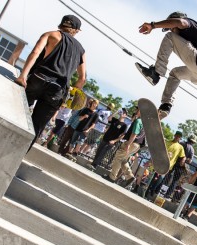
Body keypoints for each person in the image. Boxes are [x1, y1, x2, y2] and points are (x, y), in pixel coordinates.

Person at [14, 15, 86, 152]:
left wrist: (23, 76)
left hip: (39, 78)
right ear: (76, 30)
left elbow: (35, 52)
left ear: (61, 25)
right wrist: (71, 95)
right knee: (36, 127)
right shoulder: (81, 50)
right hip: (58, 90)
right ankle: (18, 154)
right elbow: (82, 78)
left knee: (17, 111)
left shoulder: (51, 35)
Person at [136, 11, 197, 119]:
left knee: (170, 37)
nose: (171, 30)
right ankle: (166, 106)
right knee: (175, 73)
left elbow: (180, 22)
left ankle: (156, 73)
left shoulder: (189, 24)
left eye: (172, 27)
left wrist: (152, 25)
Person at [102, 106, 145, 187]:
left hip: (132, 143)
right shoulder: (144, 123)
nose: (136, 111)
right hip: (137, 145)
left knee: (118, 157)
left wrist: (128, 144)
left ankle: (112, 177)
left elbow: (134, 134)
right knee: (123, 160)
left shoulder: (138, 121)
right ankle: (130, 176)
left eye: (138, 110)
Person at [147, 131, 185, 197]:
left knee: (160, 179)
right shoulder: (167, 142)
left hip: (168, 166)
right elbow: (160, 150)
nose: (177, 137)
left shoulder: (180, 147)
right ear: (174, 135)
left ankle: (152, 191)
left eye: (179, 137)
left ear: (180, 138)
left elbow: (183, 156)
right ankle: (148, 190)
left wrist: (183, 161)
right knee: (154, 177)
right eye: (177, 135)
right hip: (160, 163)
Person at [164, 134, 196, 198]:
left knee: (167, 176)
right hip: (181, 166)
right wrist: (185, 159)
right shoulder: (192, 150)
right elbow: (190, 161)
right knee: (175, 181)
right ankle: (167, 195)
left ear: (188, 138)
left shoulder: (181, 143)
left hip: (174, 162)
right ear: (193, 142)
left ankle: (159, 190)